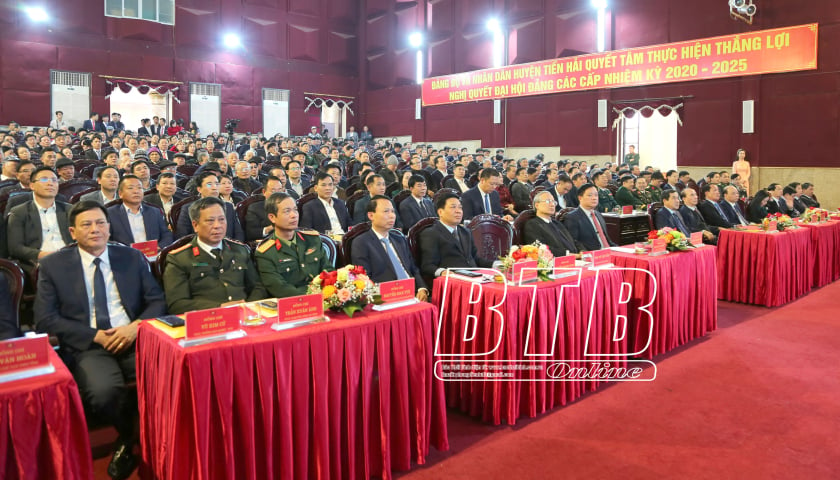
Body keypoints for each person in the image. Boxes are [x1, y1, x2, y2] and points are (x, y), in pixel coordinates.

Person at [34, 201, 166, 480]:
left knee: (167, 377)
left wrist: (135, 328)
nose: (96, 229)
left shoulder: (130, 257)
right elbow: (45, 318)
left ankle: (159, 436)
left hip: (133, 335)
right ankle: (129, 438)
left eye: (101, 223)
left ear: (109, 227)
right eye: (87, 224)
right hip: (89, 343)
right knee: (104, 391)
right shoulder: (53, 265)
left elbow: (156, 300)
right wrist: (94, 336)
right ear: (72, 232)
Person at [164, 197, 266, 314]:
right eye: (210, 221)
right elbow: (177, 304)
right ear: (195, 225)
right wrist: (220, 307)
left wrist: (248, 307)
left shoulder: (240, 250)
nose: (217, 225)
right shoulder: (179, 258)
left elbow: (258, 287)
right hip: (209, 321)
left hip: (245, 317)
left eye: (222, 219)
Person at [254, 192, 333, 298]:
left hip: (325, 298)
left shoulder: (312, 239)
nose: (294, 215)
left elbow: (329, 271)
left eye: (295, 210)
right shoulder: (266, 253)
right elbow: (280, 289)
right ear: (272, 217)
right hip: (294, 306)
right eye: (287, 211)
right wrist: (314, 297)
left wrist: (329, 293)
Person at [350, 196, 429, 300]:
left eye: (393, 211)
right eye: (386, 211)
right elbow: (364, 278)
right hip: (387, 297)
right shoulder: (361, 242)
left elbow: (413, 268)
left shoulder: (399, 239)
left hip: (412, 293)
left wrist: (421, 289)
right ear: (371, 215)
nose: (392, 216)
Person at [7, 167, 73, 274]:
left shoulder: (69, 209)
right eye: (43, 179)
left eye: (54, 180)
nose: (50, 183)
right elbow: (15, 247)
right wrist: (43, 254)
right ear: (32, 185)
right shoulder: (19, 212)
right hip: (38, 261)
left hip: (69, 257)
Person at [418, 192, 494, 278]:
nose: (458, 211)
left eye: (460, 207)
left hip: (476, 277)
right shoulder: (431, 233)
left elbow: (475, 259)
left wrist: (498, 264)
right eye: (453, 207)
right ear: (440, 212)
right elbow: (427, 265)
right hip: (453, 280)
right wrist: (442, 272)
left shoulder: (466, 232)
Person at [175, 171, 245, 241]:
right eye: (209, 185)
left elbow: (238, 233)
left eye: (217, 184)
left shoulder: (228, 206)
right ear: (199, 189)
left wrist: (238, 249)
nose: (214, 188)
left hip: (228, 248)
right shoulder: (188, 208)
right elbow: (182, 236)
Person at [108, 175, 173, 248]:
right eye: (130, 188)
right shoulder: (110, 213)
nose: (136, 191)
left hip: (154, 255)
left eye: (139, 188)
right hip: (125, 256)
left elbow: (167, 235)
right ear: (120, 194)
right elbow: (106, 241)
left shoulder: (155, 211)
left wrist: (159, 247)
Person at [523, 190, 582, 257]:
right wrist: (570, 255)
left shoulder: (557, 223)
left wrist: (582, 251)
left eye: (553, 202)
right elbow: (541, 249)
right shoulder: (532, 225)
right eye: (548, 201)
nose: (552, 204)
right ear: (537, 205)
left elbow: (572, 240)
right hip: (557, 262)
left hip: (576, 258)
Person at [564, 184, 617, 251]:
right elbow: (574, 242)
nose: (594, 198)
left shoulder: (598, 215)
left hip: (609, 250)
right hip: (592, 255)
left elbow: (607, 239)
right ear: (580, 198)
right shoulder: (572, 217)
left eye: (596, 195)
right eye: (590, 195)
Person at [244, 176, 288, 242]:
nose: (277, 194)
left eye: (279, 190)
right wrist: (270, 228)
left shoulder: (288, 205)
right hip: (268, 242)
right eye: (273, 191)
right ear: (264, 192)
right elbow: (251, 232)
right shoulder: (255, 208)